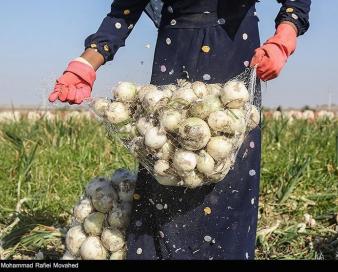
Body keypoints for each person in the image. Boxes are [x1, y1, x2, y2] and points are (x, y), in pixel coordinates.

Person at [49, 0, 311, 260]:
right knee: (166, 167)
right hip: (174, 58)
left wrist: (286, 34)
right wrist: (87, 62)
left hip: (235, 57)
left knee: (230, 183)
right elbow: (125, 10)